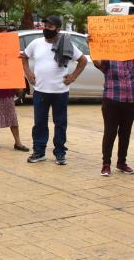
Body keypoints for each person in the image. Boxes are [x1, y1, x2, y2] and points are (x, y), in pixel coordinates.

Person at [21, 15, 87, 165]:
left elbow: (82, 60)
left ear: (57, 29)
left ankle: (60, 153)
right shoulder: (36, 43)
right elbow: (24, 57)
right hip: (40, 91)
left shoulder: (66, 43)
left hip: (60, 91)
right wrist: (28, 73)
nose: (46, 29)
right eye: (45, 26)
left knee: (60, 123)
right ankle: (39, 151)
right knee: (39, 123)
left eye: (50, 27)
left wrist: (73, 77)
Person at [93, 58, 134, 176]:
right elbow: (97, 63)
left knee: (126, 132)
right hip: (112, 99)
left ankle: (122, 162)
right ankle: (106, 164)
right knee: (110, 132)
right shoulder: (109, 60)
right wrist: (92, 46)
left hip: (131, 100)